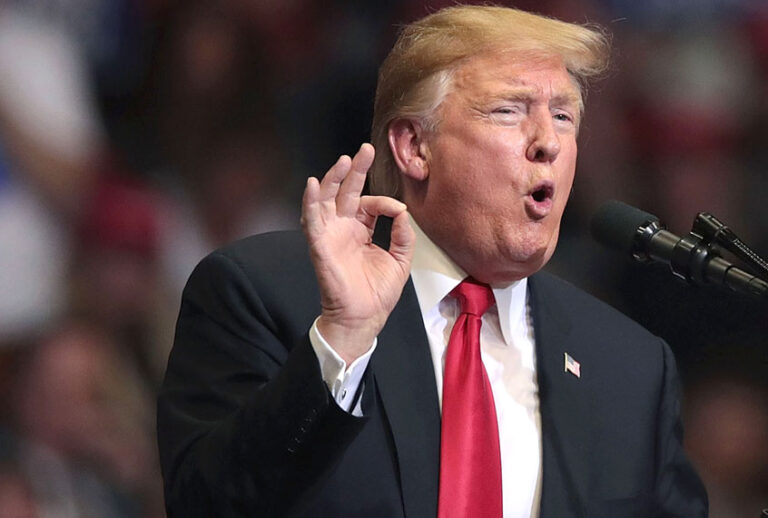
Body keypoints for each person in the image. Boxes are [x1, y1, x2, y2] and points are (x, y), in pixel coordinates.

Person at [157, 5, 708, 517]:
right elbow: (207, 504)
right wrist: (343, 341)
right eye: (508, 110)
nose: (549, 143)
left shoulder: (630, 368)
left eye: (563, 116)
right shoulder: (263, 294)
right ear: (415, 147)